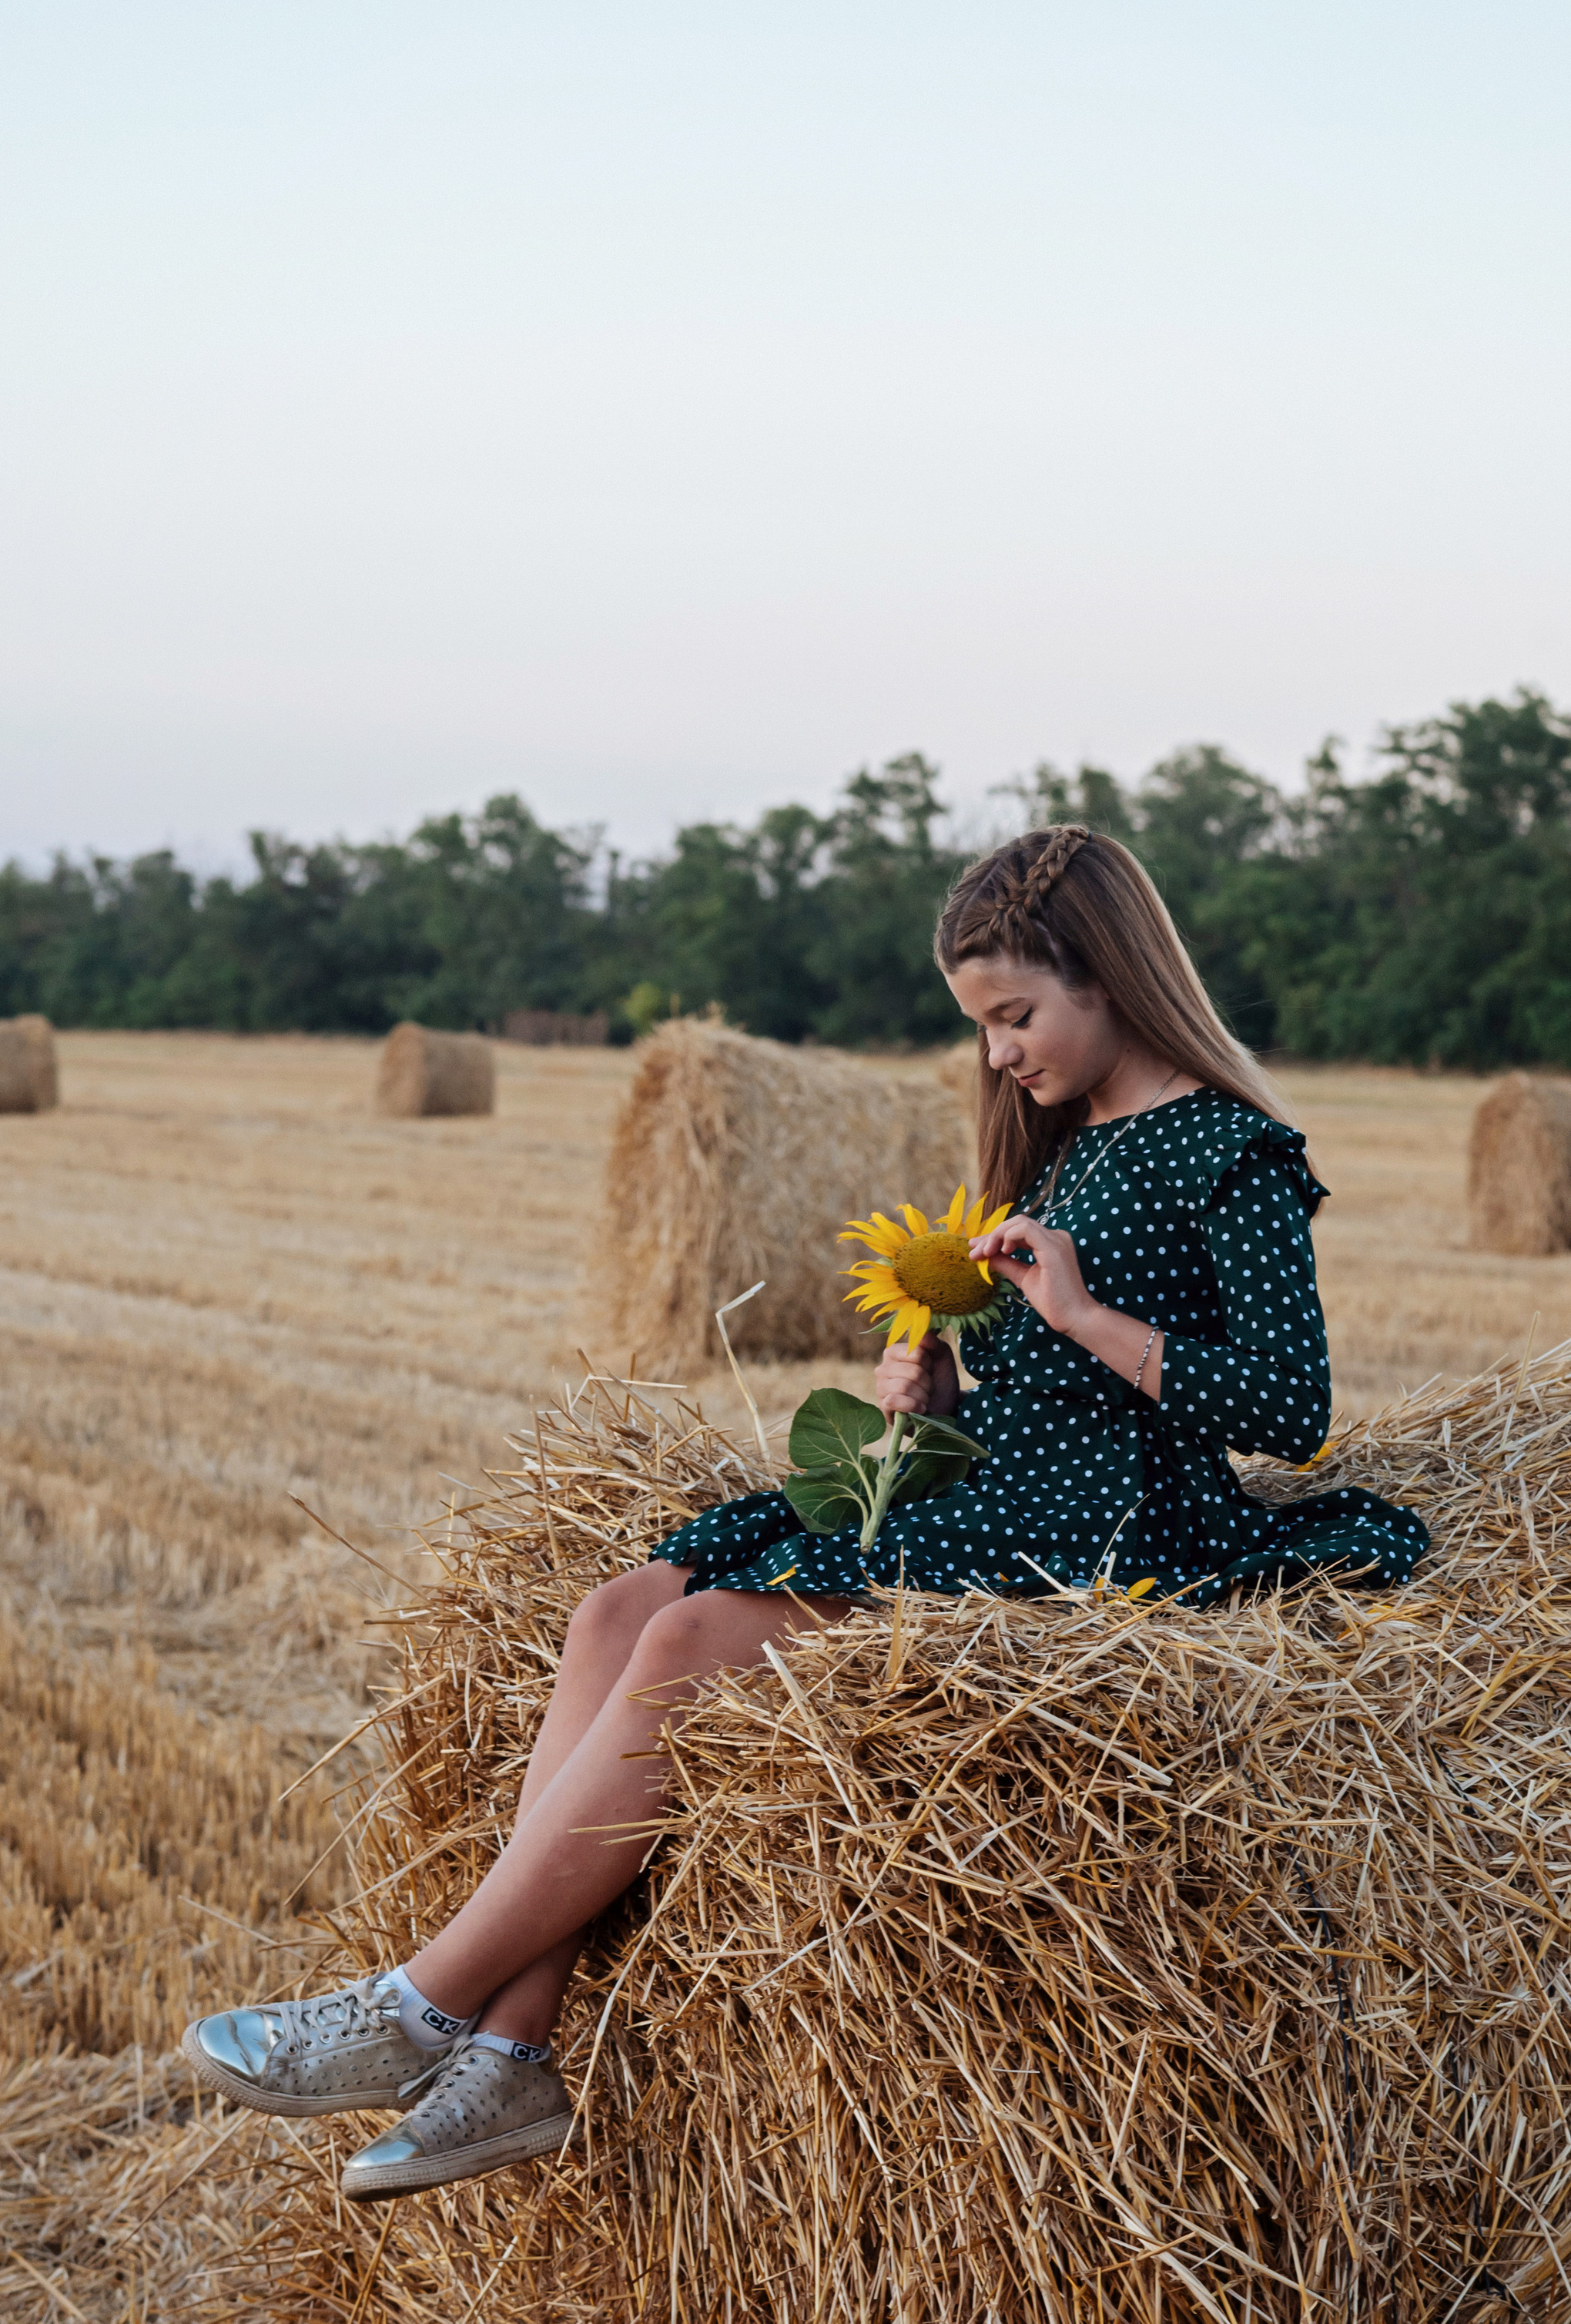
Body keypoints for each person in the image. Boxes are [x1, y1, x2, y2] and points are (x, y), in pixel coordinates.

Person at [182, 823, 1429, 2201]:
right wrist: (942, 1382)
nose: (1000, 1053)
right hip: (993, 1481)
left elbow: (1289, 1404)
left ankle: (421, 2003)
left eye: (1016, 1015)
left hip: (1119, 1522)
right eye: (982, 1027)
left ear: (1111, 972)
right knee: (618, 1608)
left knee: (688, 1641)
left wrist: (1079, 1312)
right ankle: (509, 2056)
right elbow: (1028, 1381)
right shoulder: (1061, 1152)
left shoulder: (1232, 1150)